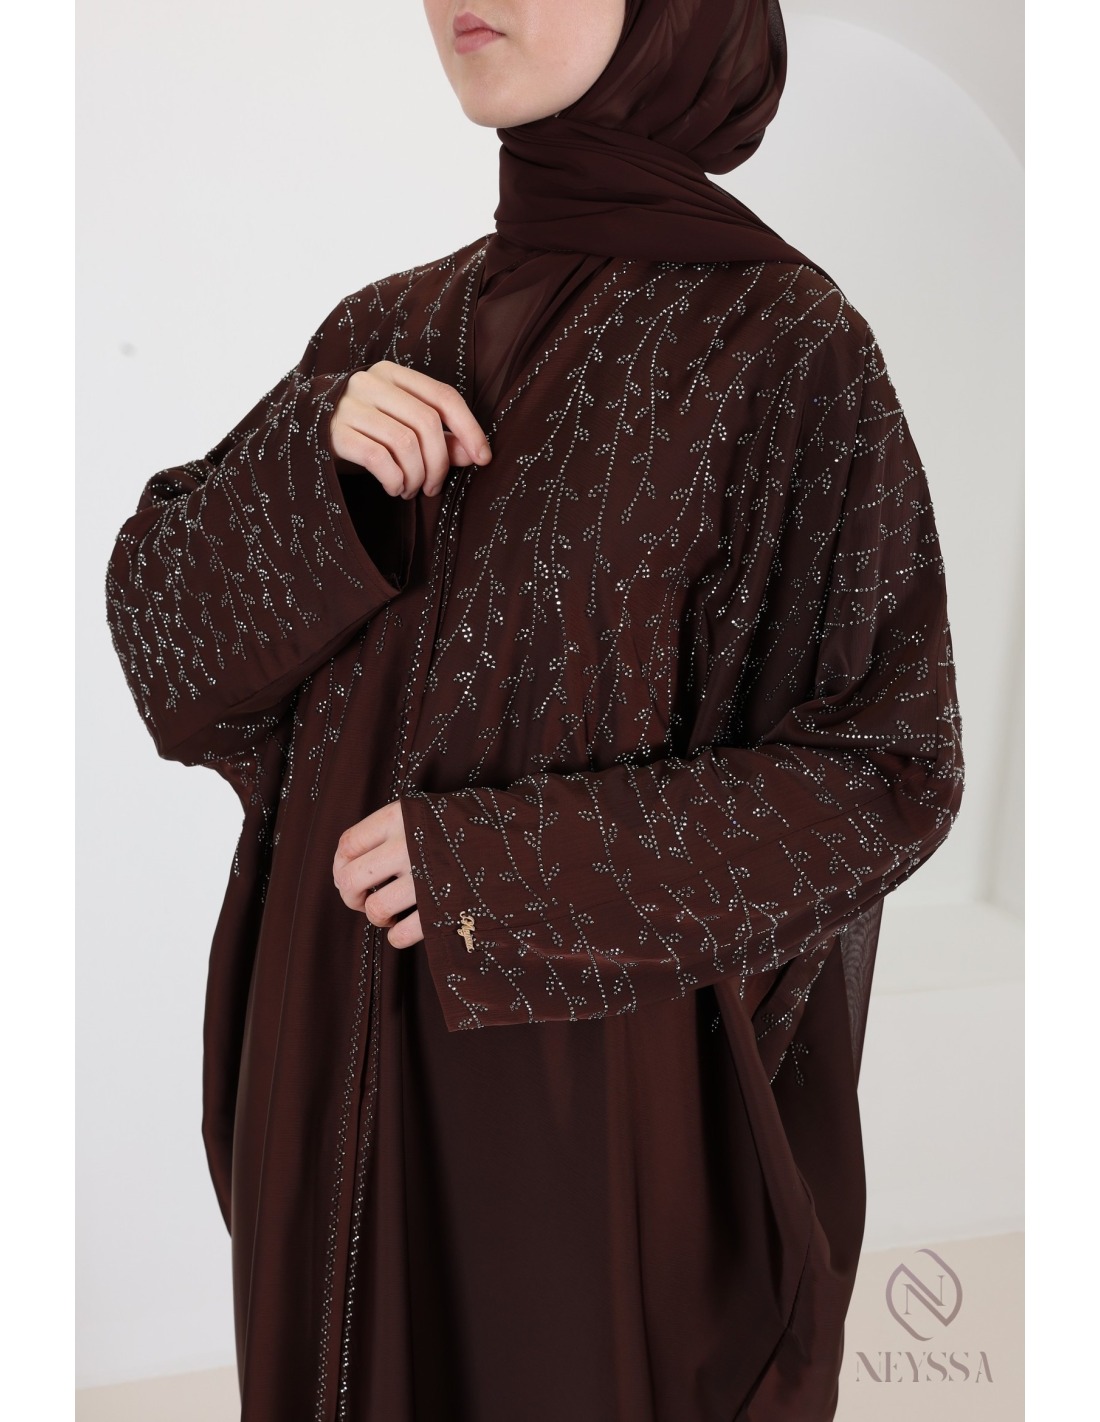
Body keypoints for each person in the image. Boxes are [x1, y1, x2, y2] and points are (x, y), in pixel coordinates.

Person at [104, 2, 965, 1418]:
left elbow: (886, 768)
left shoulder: (785, 349)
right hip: (327, 1070)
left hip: (584, 1115)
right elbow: (167, 653)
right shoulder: (385, 330)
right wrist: (308, 475)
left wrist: (498, 870)